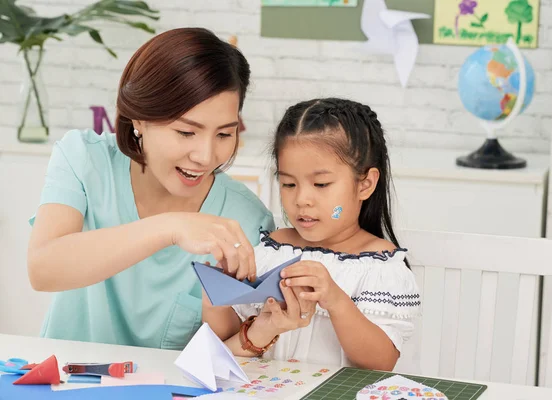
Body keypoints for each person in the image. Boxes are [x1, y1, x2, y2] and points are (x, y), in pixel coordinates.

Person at [26, 28, 274, 350]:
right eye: (186, 132)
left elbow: (235, 350)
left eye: (224, 135)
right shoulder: (85, 159)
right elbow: (43, 269)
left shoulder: (247, 218)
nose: (205, 156)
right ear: (138, 119)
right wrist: (170, 226)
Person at [204, 98, 421, 372]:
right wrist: (215, 294)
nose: (302, 199)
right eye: (289, 183)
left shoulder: (380, 265)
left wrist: (336, 300)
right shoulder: (273, 249)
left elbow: (381, 361)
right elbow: (226, 340)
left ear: (365, 184)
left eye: (321, 184)